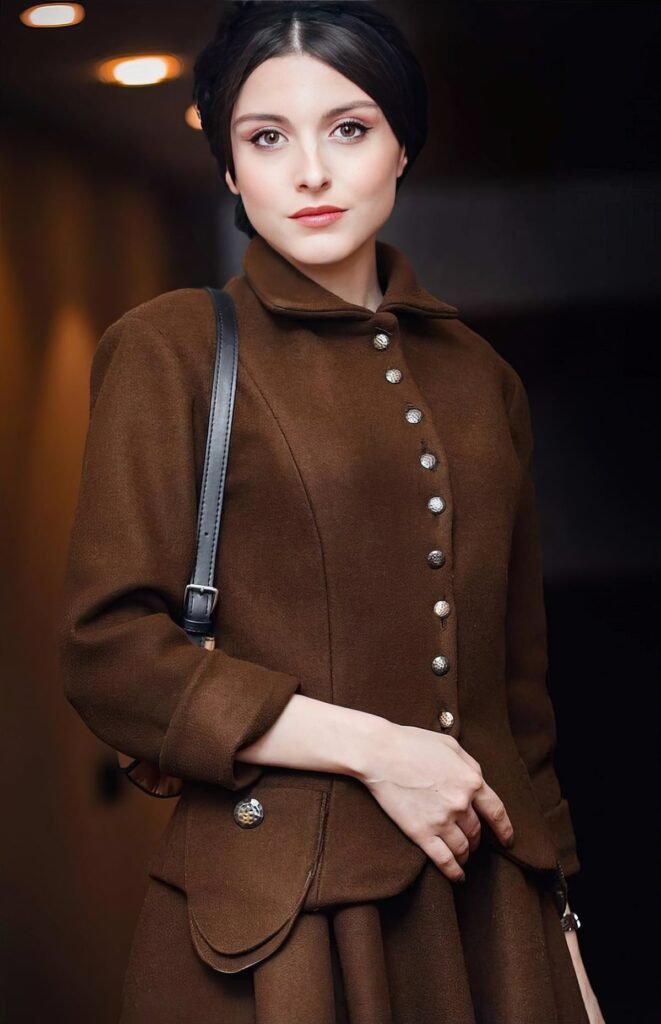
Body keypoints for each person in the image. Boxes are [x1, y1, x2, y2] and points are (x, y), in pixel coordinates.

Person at [59, 2, 606, 1021]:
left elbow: (520, 704)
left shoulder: (481, 377)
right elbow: (109, 653)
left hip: (493, 919)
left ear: (403, 145)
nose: (309, 171)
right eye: (266, 138)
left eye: (348, 128)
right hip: (284, 921)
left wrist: (564, 948)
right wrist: (375, 748)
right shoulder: (172, 347)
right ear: (230, 171)